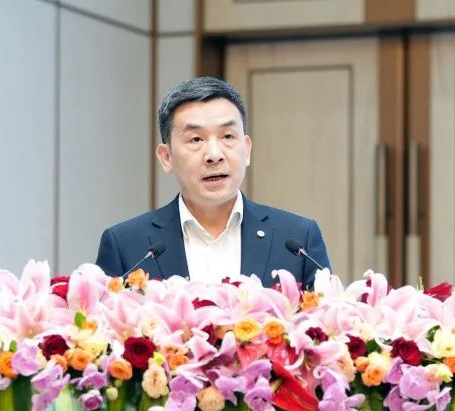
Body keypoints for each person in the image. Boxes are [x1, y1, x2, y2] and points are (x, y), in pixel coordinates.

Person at [95, 77, 330, 286]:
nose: (214, 155)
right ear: (166, 157)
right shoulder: (126, 245)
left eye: (227, 136)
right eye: (196, 139)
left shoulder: (298, 240)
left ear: (247, 149)